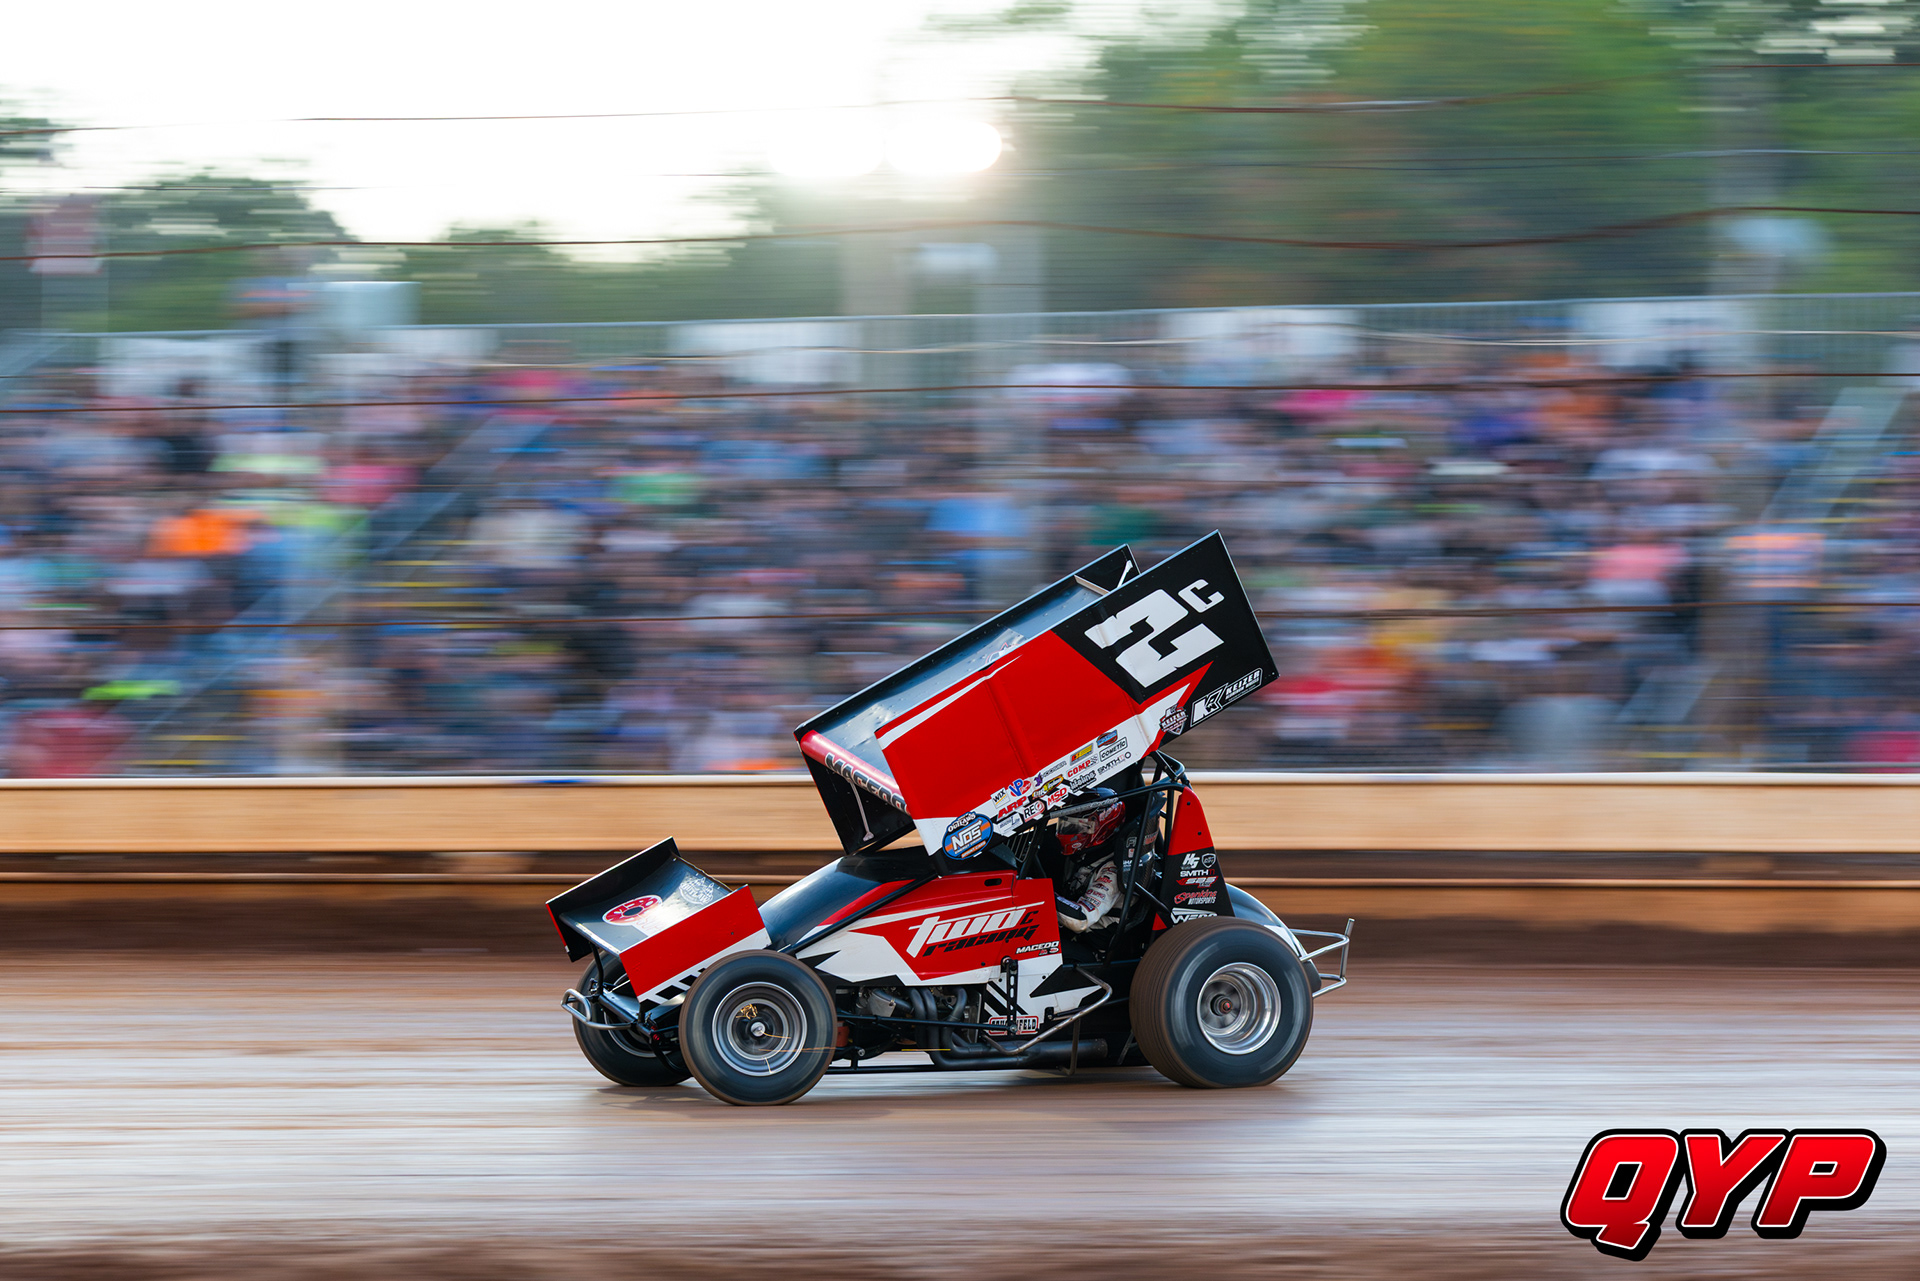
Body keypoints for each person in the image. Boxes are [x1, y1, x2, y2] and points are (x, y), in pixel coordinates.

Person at [1053, 788, 1127, 933]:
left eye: (1077, 826)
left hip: (1093, 946)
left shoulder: (1112, 871)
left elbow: (1081, 920)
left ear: (1101, 826)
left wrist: (1041, 896)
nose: (1069, 831)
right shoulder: (1080, 856)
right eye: (1067, 824)